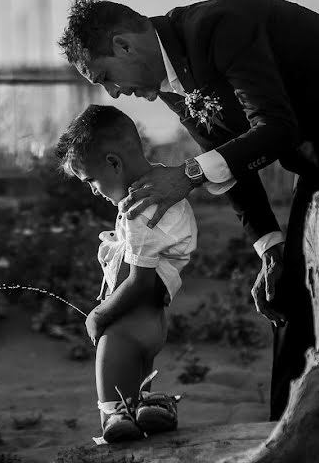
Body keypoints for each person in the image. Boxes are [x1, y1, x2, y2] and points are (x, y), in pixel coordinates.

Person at [57, 0, 319, 421]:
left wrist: (187, 174)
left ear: (123, 45)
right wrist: (269, 246)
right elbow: (228, 162)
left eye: (106, 77)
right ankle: (287, 428)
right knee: (287, 288)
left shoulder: (219, 28)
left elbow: (275, 127)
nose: (115, 92)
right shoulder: (170, 84)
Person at [55, 104, 197, 443]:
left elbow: (139, 281)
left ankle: (114, 418)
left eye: (90, 181)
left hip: (127, 328)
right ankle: (149, 408)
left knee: (114, 396)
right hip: (151, 322)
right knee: (136, 394)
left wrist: (100, 315)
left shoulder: (140, 207)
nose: (92, 190)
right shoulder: (165, 189)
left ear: (114, 163)